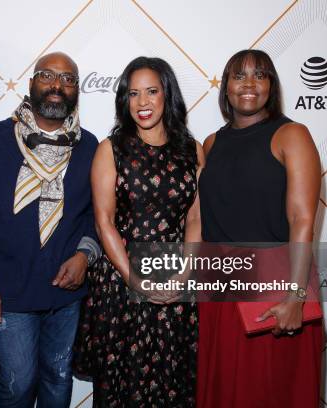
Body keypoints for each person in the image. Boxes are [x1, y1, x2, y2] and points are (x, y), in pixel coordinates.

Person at [0, 51, 100, 408]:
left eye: (68, 79)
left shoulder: (90, 147)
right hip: (8, 293)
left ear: (76, 91)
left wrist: (85, 255)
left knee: (57, 382)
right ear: (31, 84)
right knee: (18, 385)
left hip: (66, 294)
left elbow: (95, 215)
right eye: (48, 76)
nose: (58, 85)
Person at [74, 56, 204, 407]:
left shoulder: (193, 151)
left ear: (167, 95)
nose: (142, 103)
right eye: (133, 94)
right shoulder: (110, 150)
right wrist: (136, 279)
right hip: (122, 282)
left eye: (151, 91)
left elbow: (195, 217)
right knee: (123, 385)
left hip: (176, 279)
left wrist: (185, 274)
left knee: (172, 381)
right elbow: (104, 222)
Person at [196, 49, 323, 408]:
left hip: (274, 286)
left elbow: (302, 220)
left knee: (269, 392)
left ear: (271, 85)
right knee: (223, 391)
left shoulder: (291, 135)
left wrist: (296, 296)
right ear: (226, 88)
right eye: (239, 76)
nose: (249, 83)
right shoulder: (211, 143)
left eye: (260, 74)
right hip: (218, 286)